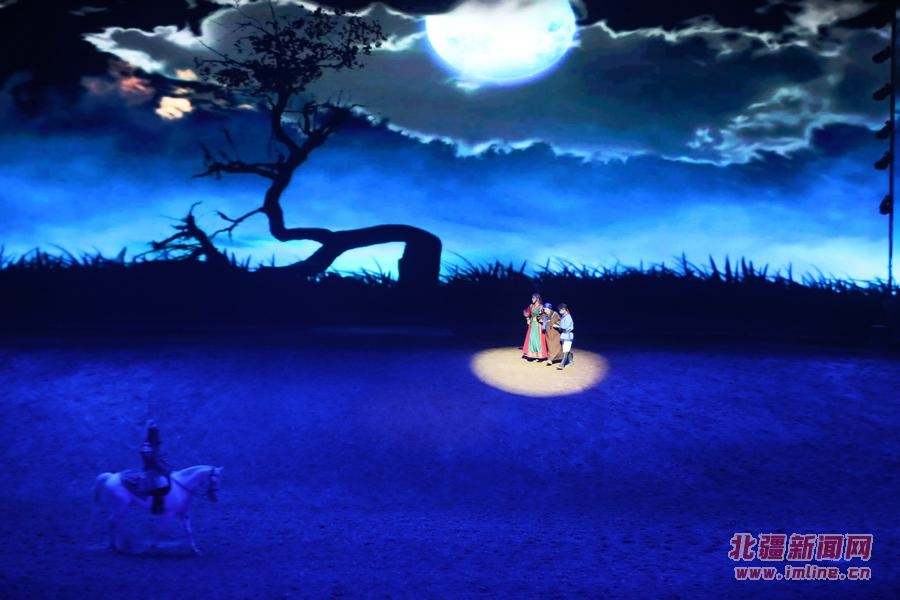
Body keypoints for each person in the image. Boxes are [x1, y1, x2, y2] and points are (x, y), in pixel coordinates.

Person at [140, 420, 173, 514]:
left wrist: (167, 464)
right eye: (155, 433)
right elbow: (153, 462)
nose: (157, 436)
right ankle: (156, 507)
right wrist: (164, 470)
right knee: (159, 485)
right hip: (150, 470)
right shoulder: (146, 447)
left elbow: (159, 457)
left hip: (156, 468)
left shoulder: (154, 446)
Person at [521, 293, 548, 361]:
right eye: (532, 298)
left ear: (537, 298)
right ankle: (532, 355)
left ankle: (539, 356)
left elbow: (545, 316)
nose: (532, 299)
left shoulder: (541, 307)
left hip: (539, 325)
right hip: (532, 325)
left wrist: (542, 319)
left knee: (538, 340)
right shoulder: (531, 306)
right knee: (532, 339)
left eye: (533, 298)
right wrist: (528, 319)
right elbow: (526, 312)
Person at [554, 303, 575, 370]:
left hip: (568, 335)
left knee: (566, 350)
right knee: (566, 349)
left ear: (564, 309)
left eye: (560, 310)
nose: (559, 311)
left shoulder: (568, 317)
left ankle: (562, 364)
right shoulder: (564, 316)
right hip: (564, 335)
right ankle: (571, 361)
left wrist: (557, 326)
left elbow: (564, 327)